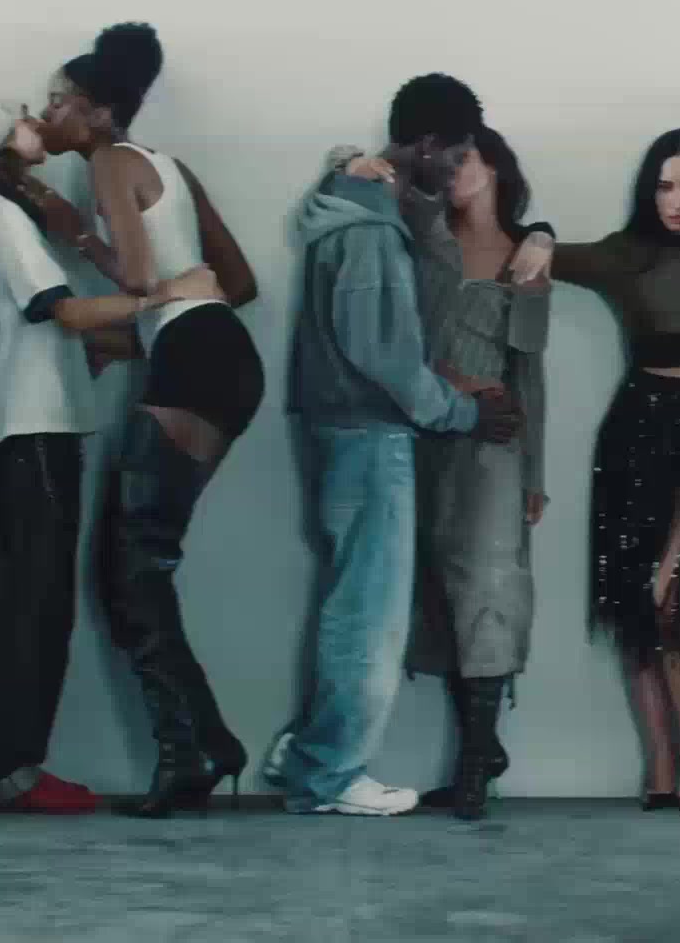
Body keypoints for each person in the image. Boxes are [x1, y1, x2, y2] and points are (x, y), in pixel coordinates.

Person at [0, 90, 224, 813]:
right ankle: (12, 771)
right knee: (36, 600)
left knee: (42, 595)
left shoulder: (11, 206)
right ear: (0, 142)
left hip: (43, 422)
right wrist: (167, 296)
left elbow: (59, 328)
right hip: (27, 426)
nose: (37, 121)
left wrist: (128, 337)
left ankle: (15, 767)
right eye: (22, 118)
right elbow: (62, 312)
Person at [267, 74, 520, 818]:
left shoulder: (347, 198)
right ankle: (328, 776)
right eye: (459, 152)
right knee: (371, 618)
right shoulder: (372, 233)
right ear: (429, 145)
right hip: (368, 434)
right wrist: (464, 414)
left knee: (354, 600)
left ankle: (310, 752)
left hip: (335, 427)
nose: (460, 166)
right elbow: (389, 360)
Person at [42, 23, 263, 818]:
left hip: (192, 359)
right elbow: (238, 282)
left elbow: (140, 278)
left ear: (98, 111)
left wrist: (84, 245)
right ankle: (206, 743)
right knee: (141, 562)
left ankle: (190, 749)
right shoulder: (172, 167)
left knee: (130, 565)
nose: (49, 113)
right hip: (221, 354)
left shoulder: (107, 162)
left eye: (59, 100)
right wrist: (141, 311)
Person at [522, 127, 680, 813]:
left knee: (679, 594)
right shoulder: (623, 253)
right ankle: (661, 761)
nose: (677, 201)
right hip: (638, 429)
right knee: (636, 599)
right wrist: (541, 233)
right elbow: (534, 246)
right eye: (665, 186)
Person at [393, 111, 551, 822]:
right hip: (421, 432)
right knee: (437, 592)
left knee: (489, 589)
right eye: (447, 158)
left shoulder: (527, 258)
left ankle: (474, 768)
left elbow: (529, 373)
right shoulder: (422, 234)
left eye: (466, 159)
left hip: (495, 445)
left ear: (493, 166)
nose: (453, 170)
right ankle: (479, 753)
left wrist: (535, 473)